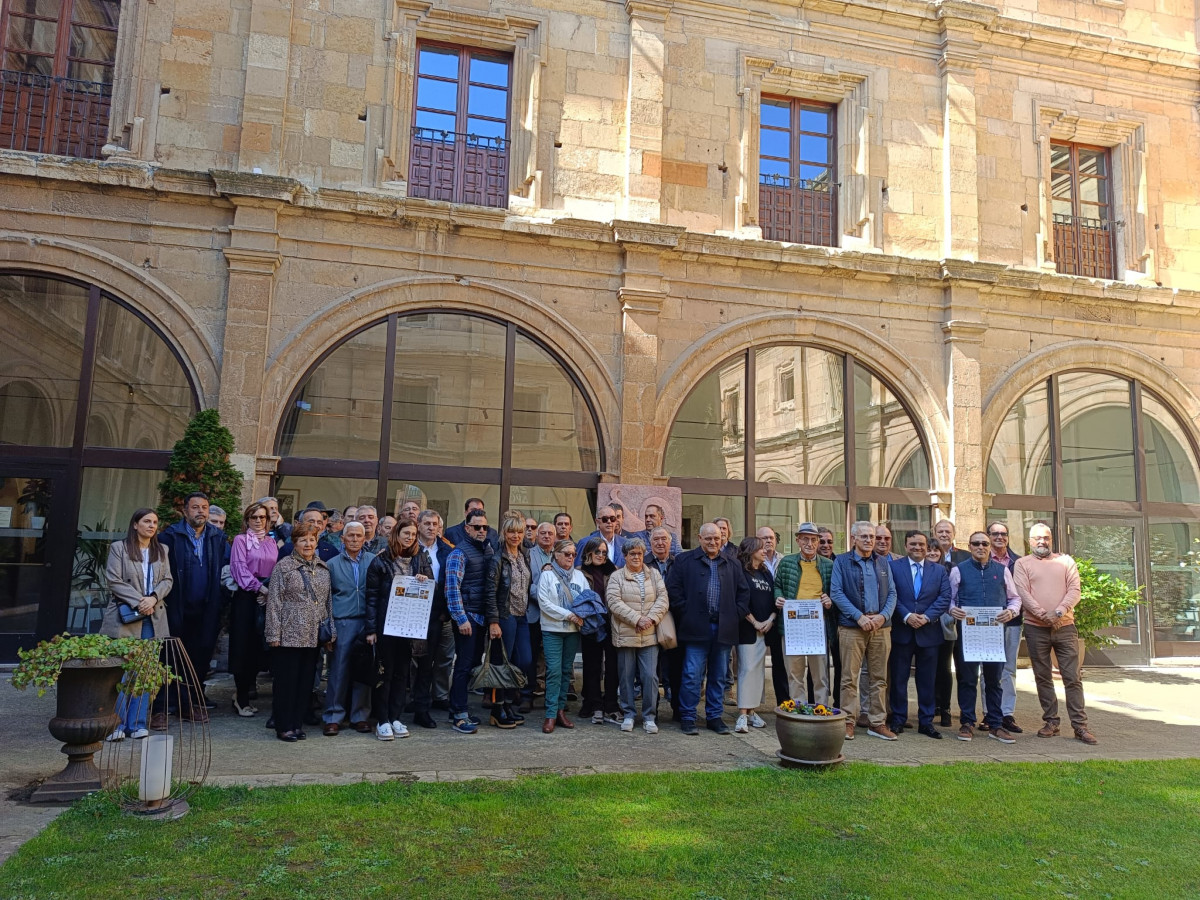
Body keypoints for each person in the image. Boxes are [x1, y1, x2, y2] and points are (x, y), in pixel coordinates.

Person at [1014, 524, 1097, 744]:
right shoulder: (1022, 564)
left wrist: (1058, 612)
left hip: (1065, 627)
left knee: (1072, 678)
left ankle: (1080, 727)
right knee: (1043, 677)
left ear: (1051, 539)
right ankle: (1051, 722)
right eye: (1037, 538)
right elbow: (1023, 592)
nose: (1042, 542)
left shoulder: (1066, 561)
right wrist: (1043, 614)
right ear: (1029, 541)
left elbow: (1075, 590)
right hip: (1035, 628)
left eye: (1046, 538)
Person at [666, 522, 750, 735]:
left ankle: (714, 716)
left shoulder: (732, 563)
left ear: (722, 538)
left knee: (718, 676)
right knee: (692, 675)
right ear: (699, 538)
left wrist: (734, 615)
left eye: (717, 538)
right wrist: (687, 612)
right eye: (708, 538)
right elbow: (673, 591)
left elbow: (743, 594)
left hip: (723, 629)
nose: (713, 542)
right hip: (695, 629)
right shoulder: (684, 561)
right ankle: (688, 717)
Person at [156, 492, 226, 726]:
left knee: (198, 658)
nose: (201, 512)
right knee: (168, 657)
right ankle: (161, 707)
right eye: (195, 507)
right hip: (175, 607)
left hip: (206, 608)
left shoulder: (217, 536)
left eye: (204, 507)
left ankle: (189, 705)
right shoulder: (169, 537)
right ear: (185, 511)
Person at [102, 508, 172, 742]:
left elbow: (167, 580)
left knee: (145, 673)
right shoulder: (119, 548)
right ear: (135, 524)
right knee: (122, 672)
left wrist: (152, 598)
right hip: (126, 618)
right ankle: (117, 724)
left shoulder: (162, 550)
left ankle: (139, 723)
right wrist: (139, 601)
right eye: (146, 521)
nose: (151, 526)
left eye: (154, 522)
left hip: (153, 618)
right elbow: (114, 579)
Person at [948, 531, 1022, 744]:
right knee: (968, 679)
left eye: (984, 543)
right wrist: (952, 610)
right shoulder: (958, 570)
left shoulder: (1003, 570)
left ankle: (996, 724)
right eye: (976, 543)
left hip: (994, 634)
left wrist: (1011, 612)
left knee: (994, 680)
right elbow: (949, 599)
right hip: (968, 633)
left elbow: (1015, 598)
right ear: (969, 546)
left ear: (990, 546)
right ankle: (967, 722)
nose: (980, 547)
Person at [265, 521, 334, 742]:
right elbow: (274, 601)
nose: (308, 543)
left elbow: (328, 603)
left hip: (313, 635)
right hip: (288, 633)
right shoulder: (283, 567)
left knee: (305, 684)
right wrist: (273, 634)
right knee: (286, 683)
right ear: (294, 542)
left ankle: (296, 724)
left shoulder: (323, 568)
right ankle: (283, 726)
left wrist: (330, 631)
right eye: (303, 539)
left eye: (312, 539)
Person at [831, 521, 897, 741]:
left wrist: (882, 616)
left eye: (872, 537)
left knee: (879, 678)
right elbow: (837, 593)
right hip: (852, 627)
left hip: (880, 627)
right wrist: (858, 617)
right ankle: (848, 721)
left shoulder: (884, 563)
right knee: (849, 677)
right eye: (865, 537)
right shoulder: (841, 562)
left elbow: (893, 594)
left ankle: (876, 722)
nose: (870, 540)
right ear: (853, 539)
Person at [364, 522, 431, 740]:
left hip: (409, 627)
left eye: (413, 534)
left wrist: (424, 580)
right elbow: (372, 597)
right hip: (386, 626)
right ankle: (382, 720)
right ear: (396, 534)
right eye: (406, 533)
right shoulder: (380, 561)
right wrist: (371, 628)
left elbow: (432, 587)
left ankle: (396, 717)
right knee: (385, 673)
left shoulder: (420, 559)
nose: (410, 537)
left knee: (403, 674)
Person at [888, 531, 951, 739]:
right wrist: (906, 615)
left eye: (921, 544)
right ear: (906, 546)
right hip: (902, 631)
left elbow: (944, 598)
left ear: (927, 546)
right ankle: (898, 719)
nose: (918, 548)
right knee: (899, 678)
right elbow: (891, 595)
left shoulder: (939, 570)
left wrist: (926, 617)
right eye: (913, 544)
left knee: (927, 680)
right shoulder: (894, 567)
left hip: (929, 632)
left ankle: (926, 722)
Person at [444, 508, 502, 734]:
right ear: (466, 528)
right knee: (463, 666)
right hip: (467, 617)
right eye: (476, 527)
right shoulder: (459, 553)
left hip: (480, 618)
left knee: (470, 666)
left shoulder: (486, 549)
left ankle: (459, 709)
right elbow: (452, 589)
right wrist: (461, 618)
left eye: (484, 527)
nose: (481, 530)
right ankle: (458, 715)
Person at [606, 537, 668, 733]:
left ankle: (650, 717)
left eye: (639, 553)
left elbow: (663, 599)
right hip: (625, 635)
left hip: (649, 634)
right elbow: (613, 602)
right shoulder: (616, 576)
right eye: (632, 553)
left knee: (650, 677)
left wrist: (650, 619)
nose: (636, 557)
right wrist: (637, 619)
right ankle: (629, 714)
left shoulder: (654, 575)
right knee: (626, 677)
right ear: (625, 556)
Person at [322, 521, 375, 736]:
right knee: (338, 670)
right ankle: (333, 716)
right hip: (342, 621)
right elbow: (326, 599)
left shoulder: (373, 561)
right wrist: (330, 627)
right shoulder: (331, 564)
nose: (354, 540)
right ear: (342, 539)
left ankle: (360, 716)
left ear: (364, 539)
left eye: (358, 536)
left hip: (367, 622)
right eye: (350, 536)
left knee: (363, 670)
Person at [772, 522, 833, 707]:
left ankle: (822, 709)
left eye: (814, 539)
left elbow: (835, 592)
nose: (810, 543)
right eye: (805, 539)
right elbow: (777, 586)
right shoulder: (787, 562)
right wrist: (779, 598)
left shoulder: (828, 565)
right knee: (794, 672)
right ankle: (798, 710)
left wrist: (830, 601)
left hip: (817, 626)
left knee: (820, 674)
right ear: (798, 540)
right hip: (793, 627)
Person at [228, 501, 278, 717]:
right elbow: (238, 569)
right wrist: (260, 589)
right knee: (243, 647)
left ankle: (247, 690)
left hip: (266, 597)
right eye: (254, 517)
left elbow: (277, 569)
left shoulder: (271, 542)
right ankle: (241, 697)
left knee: (259, 648)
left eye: (262, 517)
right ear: (247, 520)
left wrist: (269, 592)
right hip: (246, 597)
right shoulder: (240, 540)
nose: (258, 521)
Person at [537, 540, 586, 733]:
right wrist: (568, 614)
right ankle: (550, 714)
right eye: (566, 554)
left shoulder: (580, 576)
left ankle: (560, 710)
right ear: (556, 555)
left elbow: (586, 598)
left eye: (573, 554)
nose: (571, 557)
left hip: (573, 631)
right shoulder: (547, 575)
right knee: (554, 671)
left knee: (566, 671)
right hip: (552, 629)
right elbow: (544, 603)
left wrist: (581, 614)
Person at [411, 509, 452, 728]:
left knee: (434, 662)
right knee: (416, 664)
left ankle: (427, 704)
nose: (430, 527)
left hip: (439, 615)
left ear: (439, 527)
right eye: (426, 523)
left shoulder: (447, 550)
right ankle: (419, 707)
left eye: (434, 524)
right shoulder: (410, 548)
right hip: (414, 613)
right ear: (418, 525)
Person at [494, 515, 533, 728]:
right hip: (505, 616)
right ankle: (498, 707)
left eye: (519, 532)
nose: (516, 536)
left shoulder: (524, 555)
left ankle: (509, 702)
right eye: (512, 532)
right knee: (502, 664)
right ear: (504, 533)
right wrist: (493, 621)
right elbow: (491, 591)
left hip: (522, 616)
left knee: (524, 660)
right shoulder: (498, 557)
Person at [734, 536, 775, 733]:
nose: (765, 550)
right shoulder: (741, 572)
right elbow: (740, 601)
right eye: (761, 548)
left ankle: (752, 711)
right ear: (751, 550)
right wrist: (755, 622)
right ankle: (742, 713)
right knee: (747, 669)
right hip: (747, 630)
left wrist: (770, 620)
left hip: (765, 630)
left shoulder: (766, 573)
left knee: (758, 672)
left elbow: (774, 598)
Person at [987, 520, 1024, 734]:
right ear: (988, 536)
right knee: (989, 671)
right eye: (995, 534)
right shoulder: (979, 559)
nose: (999, 537)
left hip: (1012, 622)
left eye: (1003, 533)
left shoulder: (1019, 562)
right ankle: (989, 714)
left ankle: (1007, 713)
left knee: (1009, 669)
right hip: (988, 624)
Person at [578, 535, 620, 724]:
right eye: (597, 551)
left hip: (611, 622)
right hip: (591, 623)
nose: (601, 555)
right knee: (592, 665)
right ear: (589, 552)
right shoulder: (579, 572)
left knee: (613, 666)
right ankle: (594, 703)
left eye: (604, 552)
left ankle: (611, 703)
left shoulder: (614, 571)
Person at [931, 520, 968, 726]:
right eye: (940, 531)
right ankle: (936, 705)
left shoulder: (965, 557)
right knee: (938, 666)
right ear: (934, 533)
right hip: (936, 622)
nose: (944, 534)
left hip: (961, 622)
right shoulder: (927, 554)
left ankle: (964, 710)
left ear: (953, 534)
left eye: (948, 531)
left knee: (962, 668)